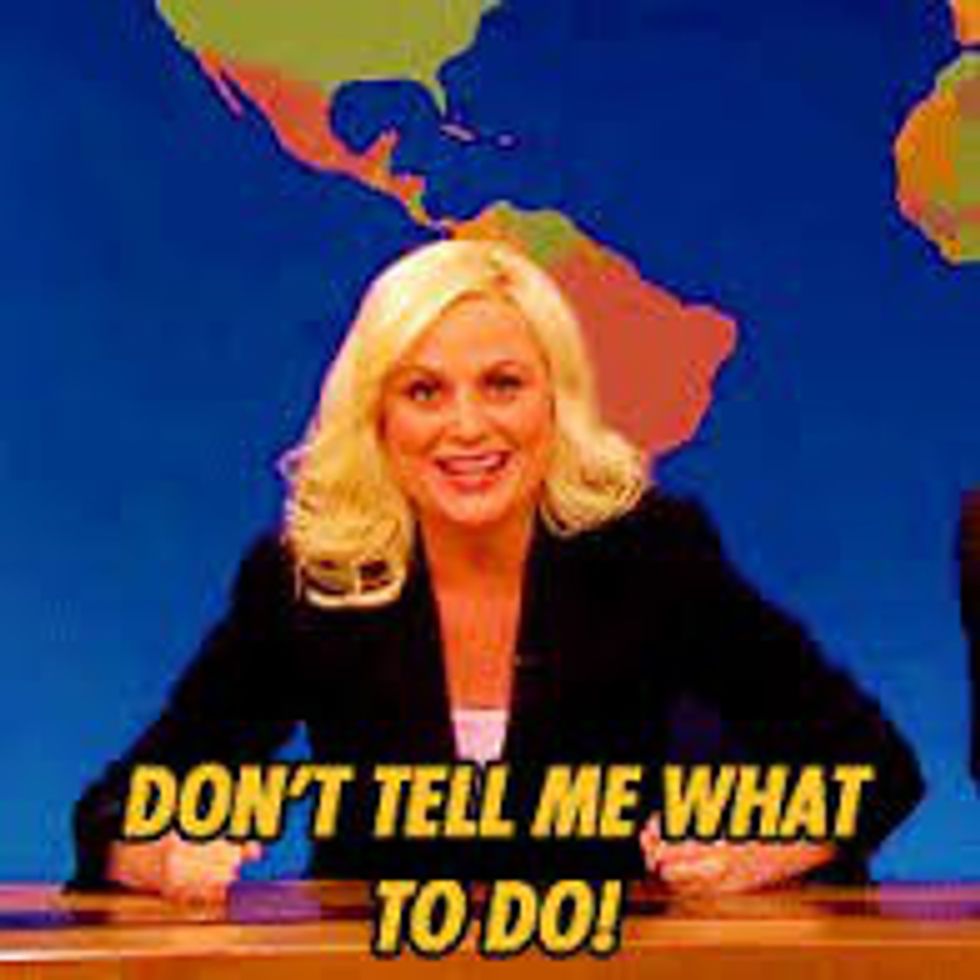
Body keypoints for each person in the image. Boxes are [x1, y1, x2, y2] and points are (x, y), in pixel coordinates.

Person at [71, 240, 924, 902]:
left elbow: (877, 765)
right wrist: (155, 859)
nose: (468, 427)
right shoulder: (313, 581)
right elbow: (113, 809)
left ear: (555, 400)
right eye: (424, 392)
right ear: (378, 416)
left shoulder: (653, 558)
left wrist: (760, 854)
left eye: (503, 384)